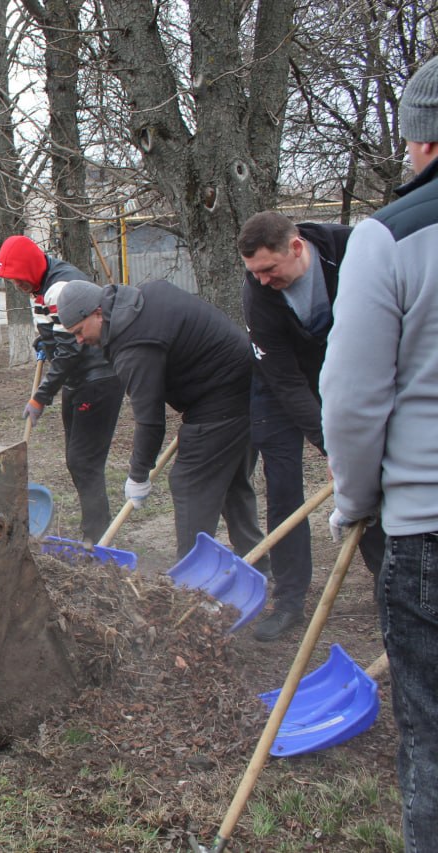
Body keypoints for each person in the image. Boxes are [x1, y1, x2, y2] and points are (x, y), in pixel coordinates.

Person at [321, 55, 438, 851]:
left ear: (421, 140)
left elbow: (354, 397)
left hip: (428, 522)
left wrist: (355, 500)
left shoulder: (390, 235)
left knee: (432, 737)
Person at [238, 212, 386, 641]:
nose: (262, 279)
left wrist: (350, 451)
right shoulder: (258, 294)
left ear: (297, 247)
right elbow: (286, 382)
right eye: (254, 271)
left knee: (368, 477)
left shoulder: (354, 250)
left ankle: (388, 584)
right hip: (279, 384)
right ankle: (289, 601)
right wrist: (331, 446)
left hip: (348, 372)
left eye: (269, 268)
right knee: (283, 488)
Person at [56, 279, 266, 566]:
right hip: (241, 381)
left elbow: (150, 420)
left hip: (223, 395)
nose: (79, 340)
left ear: (98, 313)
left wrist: (138, 474)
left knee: (189, 482)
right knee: (230, 480)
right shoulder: (137, 300)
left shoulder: (134, 345)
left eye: (79, 331)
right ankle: (258, 562)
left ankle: (191, 577)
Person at [0, 235, 123, 542]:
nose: (17, 285)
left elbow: (69, 351)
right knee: (76, 460)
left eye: (19, 278)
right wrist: (45, 340)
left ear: (31, 268)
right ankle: (94, 529)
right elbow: (57, 332)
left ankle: (97, 536)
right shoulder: (40, 286)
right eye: (12, 281)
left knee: (83, 461)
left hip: (97, 379)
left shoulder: (60, 287)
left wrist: (40, 398)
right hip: (78, 380)